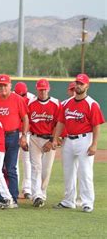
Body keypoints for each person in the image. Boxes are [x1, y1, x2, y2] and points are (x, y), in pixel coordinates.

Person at [52, 74, 105, 213]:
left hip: (85, 139)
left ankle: (87, 202)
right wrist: (55, 138)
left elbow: (96, 126)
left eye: (81, 83)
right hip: (69, 140)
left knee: (85, 172)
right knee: (68, 172)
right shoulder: (67, 103)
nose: (78, 86)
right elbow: (61, 122)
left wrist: (94, 144)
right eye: (77, 83)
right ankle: (69, 201)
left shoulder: (91, 104)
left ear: (87, 86)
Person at [0, 74, 29, 206]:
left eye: (5, 85)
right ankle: (2, 197)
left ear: (10, 85)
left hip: (13, 135)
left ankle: (13, 197)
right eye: (0, 85)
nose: (3, 88)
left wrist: (23, 135)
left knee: (11, 168)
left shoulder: (17, 99)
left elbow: (25, 118)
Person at [27, 79, 60, 208]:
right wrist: (25, 136)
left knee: (46, 169)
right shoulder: (31, 103)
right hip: (35, 138)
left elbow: (59, 124)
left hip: (49, 139)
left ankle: (42, 193)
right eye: (40, 89)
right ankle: (37, 195)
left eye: (45, 89)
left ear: (49, 89)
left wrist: (53, 140)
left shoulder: (55, 103)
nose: (43, 91)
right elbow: (26, 120)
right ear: (37, 89)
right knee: (36, 167)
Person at [13, 81, 34, 199]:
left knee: (27, 160)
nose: (21, 97)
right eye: (19, 94)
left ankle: (27, 188)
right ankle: (14, 187)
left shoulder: (31, 98)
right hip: (15, 131)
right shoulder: (12, 97)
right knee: (13, 161)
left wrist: (25, 134)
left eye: (23, 95)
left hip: (27, 133)